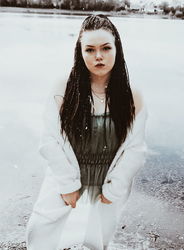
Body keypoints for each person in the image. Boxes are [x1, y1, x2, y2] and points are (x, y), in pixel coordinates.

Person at [26, 14, 148, 250]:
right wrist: (68, 184)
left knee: (99, 238)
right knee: (40, 231)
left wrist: (114, 188)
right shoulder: (64, 87)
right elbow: (49, 140)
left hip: (107, 175)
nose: (98, 56)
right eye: (90, 49)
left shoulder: (133, 96)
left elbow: (136, 150)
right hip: (68, 170)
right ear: (80, 52)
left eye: (106, 48)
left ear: (117, 49)